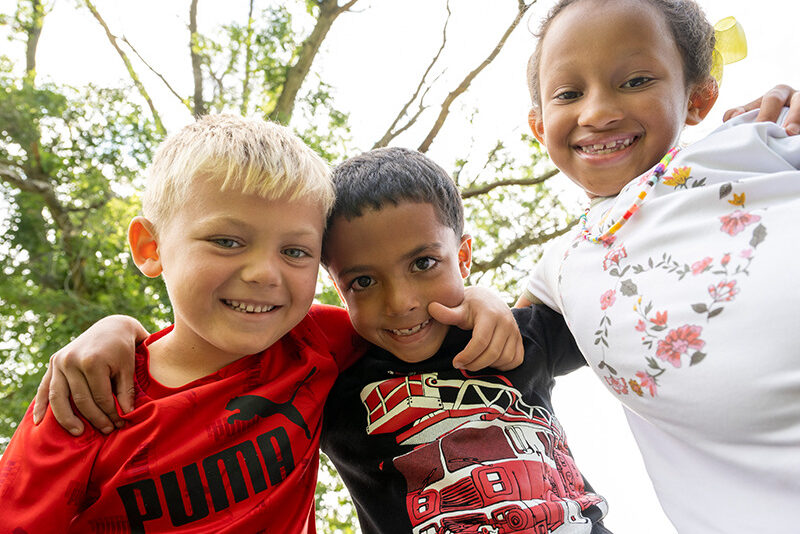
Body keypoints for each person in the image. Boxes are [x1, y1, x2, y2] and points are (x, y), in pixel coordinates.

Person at [0, 115, 521, 533]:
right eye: (227, 241)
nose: (264, 273)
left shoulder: (319, 342)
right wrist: (113, 326)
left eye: (295, 251)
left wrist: (480, 300)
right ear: (150, 247)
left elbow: (408, 314)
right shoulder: (88, 398)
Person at [517, 0, 800, 532]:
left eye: (636, 81)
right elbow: (504, 338)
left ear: (698, 97)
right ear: (539, 125)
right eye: (569, 93)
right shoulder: (562, 264)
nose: (598, 112)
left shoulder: (748, 143)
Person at [318, 147, 609, 533]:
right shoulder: (329, 390)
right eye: (363, 282)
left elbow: (620, 292)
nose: (400, 303)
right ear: (340, 291)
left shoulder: (512, 336)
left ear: (463, 257)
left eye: (423, 263)